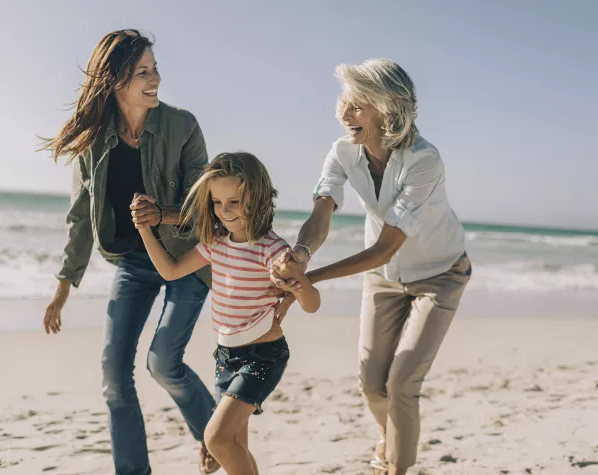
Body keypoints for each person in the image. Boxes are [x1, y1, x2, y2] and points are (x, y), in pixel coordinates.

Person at [271, 58, 472, 475]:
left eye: (357, 105)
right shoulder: (343, 151)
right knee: (370, 383)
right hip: (384, 279)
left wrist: (312, 277)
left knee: (401, 385)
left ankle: (396, 466)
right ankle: (390, 437)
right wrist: (302, 254)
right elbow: (323, 210)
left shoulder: (424, 160)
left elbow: (384, 247)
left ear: (388, 109)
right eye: (343, 103)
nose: (345, 115)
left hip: (440, 275)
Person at [40, 30, 219, 475]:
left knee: (162, 363)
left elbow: (208, 207)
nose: (156, 77)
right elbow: (81, 216)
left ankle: (215, 435)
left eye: (155, 68)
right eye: (144, 71)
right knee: (115, 379)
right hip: (134, 262)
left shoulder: (182, 125)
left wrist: (163, 214)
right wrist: (64, 286)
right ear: (115, 80)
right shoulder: (94, 140)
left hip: (185, 259)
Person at [133, 152, 320, 475]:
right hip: (225, 356)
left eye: (234, 201)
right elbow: (171, 270)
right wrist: (144, 229)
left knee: (217, 439)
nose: (224, 211)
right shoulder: (216, 243)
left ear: (258, 198)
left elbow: (312, 304)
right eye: (217, 203)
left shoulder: (272, 250)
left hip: (263, 357)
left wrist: (299, 281)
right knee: (236, 446)